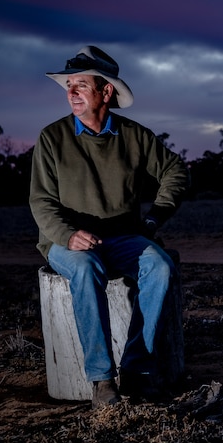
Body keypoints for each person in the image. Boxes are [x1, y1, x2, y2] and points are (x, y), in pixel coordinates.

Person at [29, 45, 190, 409]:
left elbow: (175, 172)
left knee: (160, 266)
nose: (71, 92)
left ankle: (137, 370)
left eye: (80, 85)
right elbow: (41, 200)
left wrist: (154, 217)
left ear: (105, 92)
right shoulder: (52, 138)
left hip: (122, 236)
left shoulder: (135, 137)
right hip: (66, 240)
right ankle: (102, 380)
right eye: (68, 85)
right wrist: (68, 235)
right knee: (86, 269)